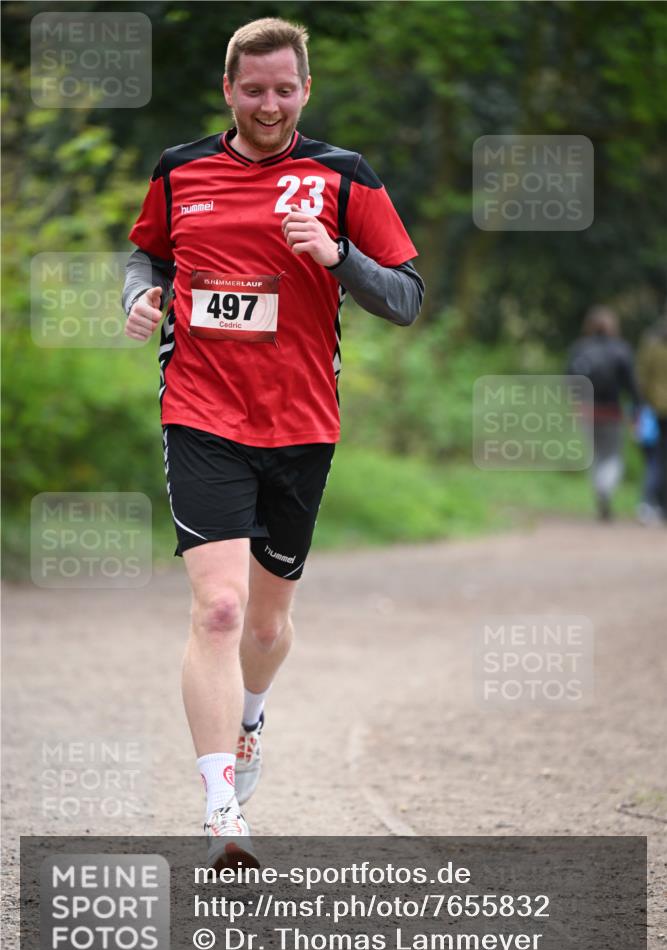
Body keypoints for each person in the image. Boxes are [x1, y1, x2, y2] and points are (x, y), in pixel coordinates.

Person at [122, 17, 423, 867]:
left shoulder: (341, 177)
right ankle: (222, 811)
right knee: (217, 608)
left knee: (266, 623)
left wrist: (336, 258)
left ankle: (252, 717)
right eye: (252, 89)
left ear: (305, 90)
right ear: (229, 89)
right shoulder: (181, 171)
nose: (267, 103)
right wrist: (136, 301)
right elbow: (143, 260)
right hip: (201, 413)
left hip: (300, 426)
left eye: (283, 89)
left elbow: (404, 296)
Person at [566, 305, 639, 521]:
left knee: (596, 454)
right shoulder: (621, 349)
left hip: (587, 410)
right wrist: (637, 410)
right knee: (613, 455)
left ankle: (600, 487)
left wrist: (574, 403)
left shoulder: (580, 348)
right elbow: (631, 385)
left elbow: (569, 379)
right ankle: (606, 487)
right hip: (612, 411)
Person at [636, 314, 667, 522]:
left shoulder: (652, 346)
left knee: (655, 458)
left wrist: (641, 404)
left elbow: (642, 378)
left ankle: (649, 503)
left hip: (657, 407)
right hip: (657, 408)